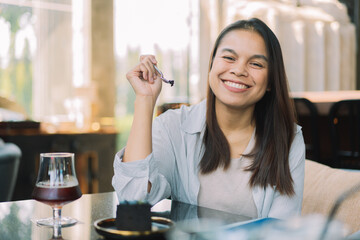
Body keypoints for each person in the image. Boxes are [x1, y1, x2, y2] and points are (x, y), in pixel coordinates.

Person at [112, 18, 305, 219]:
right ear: (212, 64)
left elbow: (282, 228)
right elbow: (132, 200)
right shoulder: (173, 127)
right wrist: (145, 100)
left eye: (256, 63)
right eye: (229, 58)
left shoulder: (288, 138)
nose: (239, 70)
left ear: (270, 82)